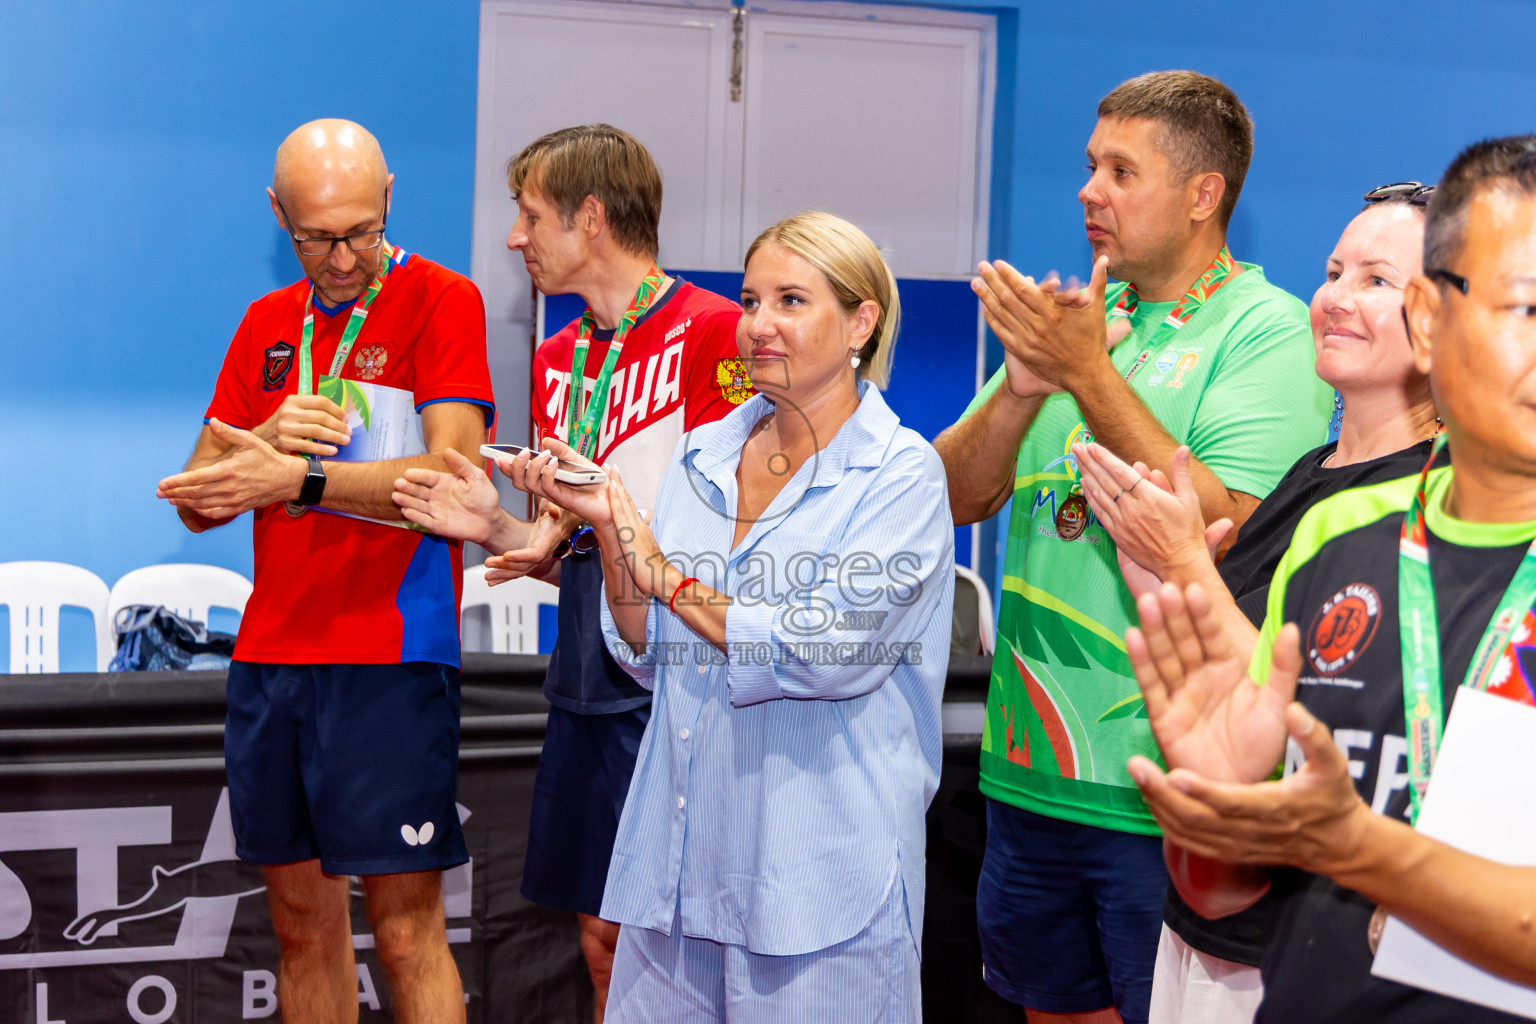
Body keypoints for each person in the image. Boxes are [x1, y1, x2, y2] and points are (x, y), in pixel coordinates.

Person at [933, 70, 1333, 1023]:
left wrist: (1086, 374)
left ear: (1204, 195)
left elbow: (1220, 523)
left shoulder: (1267, 330)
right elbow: (952, 495)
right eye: (1088, 166)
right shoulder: (1077, 323)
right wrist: (1030, 383)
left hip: (1162, 791)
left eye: (1121, 170)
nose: (1088, 191)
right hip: (1028, 772)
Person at [1122, 133, 1536, 1024]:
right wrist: (1215, 809)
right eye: (1517, 308)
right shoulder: (1339, 535)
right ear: (1436, 323)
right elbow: (1227, 896)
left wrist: (1364, 851)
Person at [504, 211, 953, 1020]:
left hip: (819, 891)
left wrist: (661, 568)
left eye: (790, 300)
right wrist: (610, 526)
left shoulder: (901, 474)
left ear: (861, 321)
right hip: (678, 877)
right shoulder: (704, 450)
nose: (758, 325)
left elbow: (820, 654)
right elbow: (641, 648)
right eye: (749, 300)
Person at [388, 124, 748, 1021]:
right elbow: (582, 559)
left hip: (680, 686)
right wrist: (502, 527)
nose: (516, 237)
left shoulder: (714, 335)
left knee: (675, 954)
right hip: (586, 681)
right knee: (602, 944)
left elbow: (732, 541)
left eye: (529, 214)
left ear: (591, 219)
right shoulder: (558, 358)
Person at [1072, 184, 1440, 1024]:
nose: (1336, 298)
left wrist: (1181, 564)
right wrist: (1154, 569)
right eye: (1334, 270)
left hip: (1294, 937)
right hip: (1203, 905)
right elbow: (1224, 648)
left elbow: (1308, 701)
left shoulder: (1427, 501)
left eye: (1377, 281)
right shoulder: (1312, 471)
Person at [156, 119, 495, 1024]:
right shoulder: (268, 322)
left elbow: (450, 478)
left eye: (359, 232)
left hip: (390, 655)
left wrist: (299, 478)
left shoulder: (441, 300)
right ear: (279, 217)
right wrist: (266, 441)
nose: (342, 258)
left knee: (404, 930)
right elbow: (196, 497)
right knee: (301, 926)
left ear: (388, 197)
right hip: (273, 657)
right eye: (316, 238)